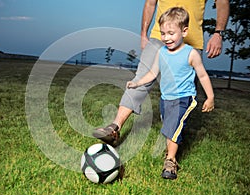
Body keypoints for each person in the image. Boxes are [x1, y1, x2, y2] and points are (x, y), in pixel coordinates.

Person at [92, 0, 229, 147]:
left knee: (181, 95)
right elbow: (150, 3)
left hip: (191, 41)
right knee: (141, 78)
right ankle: (114, 128)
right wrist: (144, 34)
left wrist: (218, 33)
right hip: (159, 37)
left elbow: (222, 2)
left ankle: (171, 150)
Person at [126, 6, 214, 179]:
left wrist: (210, 97)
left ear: (184, 31)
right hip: (166, 98)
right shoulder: (161, 52)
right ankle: (170, 151)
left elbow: (202, 75)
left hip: (184, 98)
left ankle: (171, 161)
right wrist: (137, 83)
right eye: (163, 33)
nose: (166, 38)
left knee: (173, 127)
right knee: (169, 128)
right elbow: (152, 73)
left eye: (171, 33)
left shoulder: (191, 53)